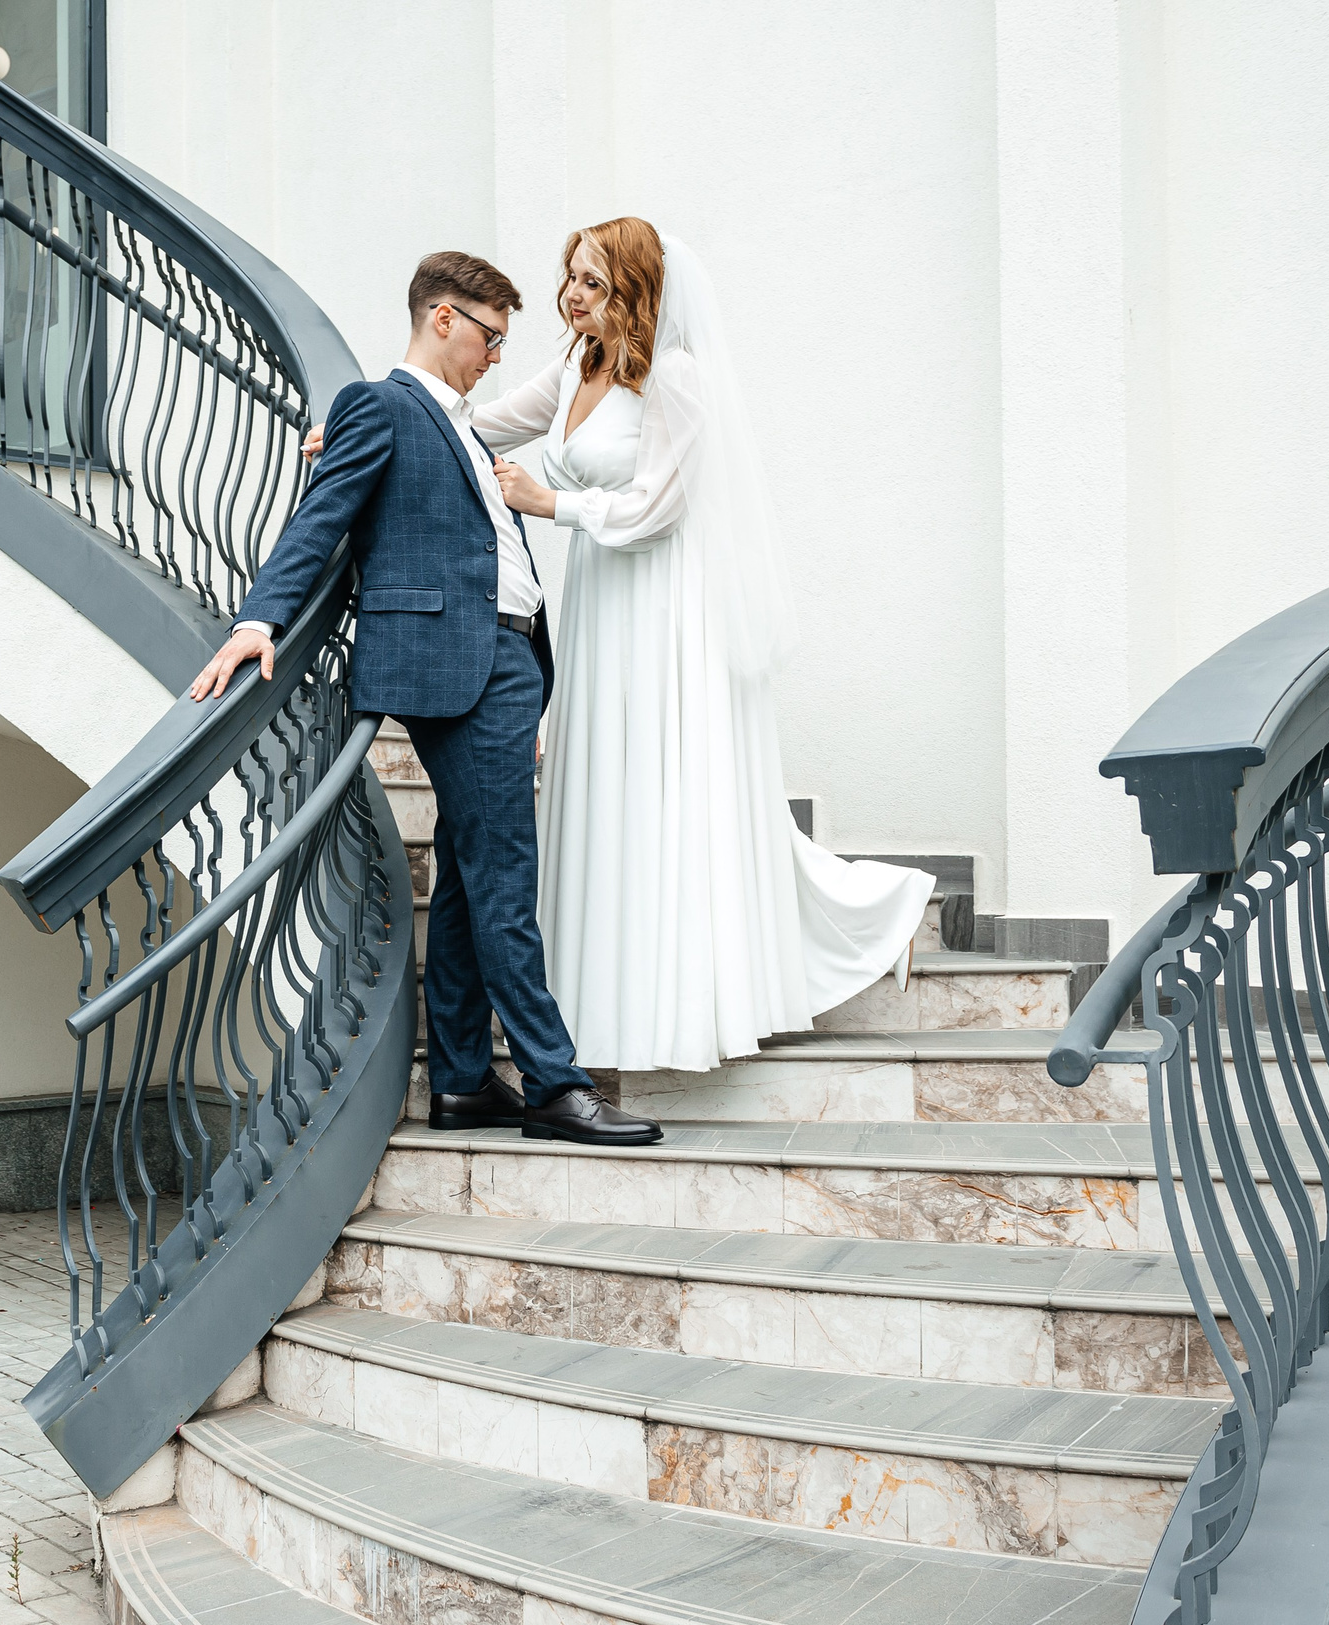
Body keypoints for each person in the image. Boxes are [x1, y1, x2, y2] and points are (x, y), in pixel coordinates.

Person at [187, 251, 661, 1146]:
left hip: (509, 663)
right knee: (503, 874)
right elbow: (320, 520)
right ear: (443, 318)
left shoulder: (468, 426)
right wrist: (261, 620)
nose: (495, 356)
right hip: (464, 668)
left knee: (465, 870)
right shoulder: (380, 406)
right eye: (489, 336)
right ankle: (555, 1083)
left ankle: (461, 1081)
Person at [477, 216, 933, 1068]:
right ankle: (604, 1000)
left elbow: (658, 507)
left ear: (636, 292)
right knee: (608, 784)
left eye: (593, 283)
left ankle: (847, 925)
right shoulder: (576, 363)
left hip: (662, 606)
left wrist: (551, 504)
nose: (571, 296)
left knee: (664, 789)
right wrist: (380, 422)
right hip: (601, 601)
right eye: (569, 277)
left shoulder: (675, 379)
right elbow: (487, 424)